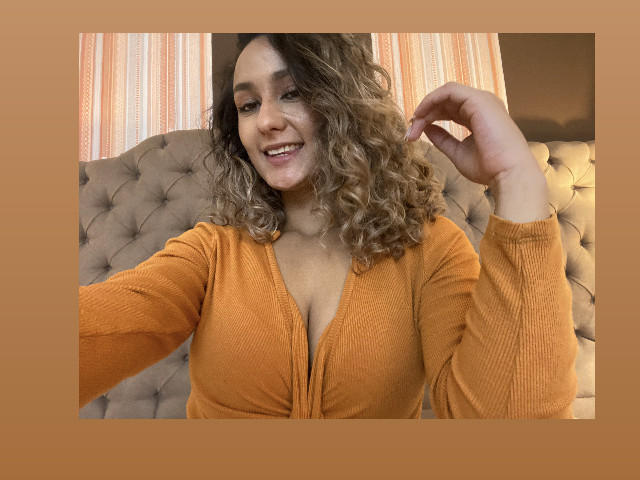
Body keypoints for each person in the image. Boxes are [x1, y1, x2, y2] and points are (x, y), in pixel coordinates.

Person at [79, 33, 577, 418]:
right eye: (248, 105)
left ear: (347, 106)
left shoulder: (430, 249)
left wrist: (517, 178)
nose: (265, 121)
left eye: (292, 93)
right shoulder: (213, 251)